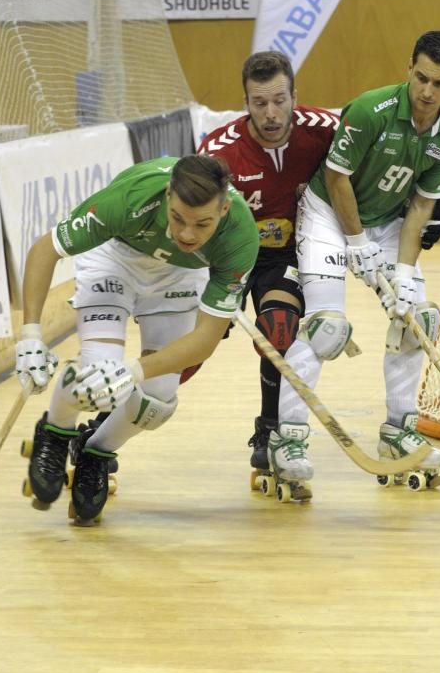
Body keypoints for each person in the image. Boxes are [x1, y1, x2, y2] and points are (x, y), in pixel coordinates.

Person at [265, 30, 440, 492]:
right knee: (326, 327)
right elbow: (337, 179)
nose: (426, 92)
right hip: (326, 215)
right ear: (408, 68)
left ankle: (399, 431)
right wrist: (356, 244)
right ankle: (289, 437)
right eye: (420, 78)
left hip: (388, 223)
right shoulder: (369, 110)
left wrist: (399, 274)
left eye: (439, 83)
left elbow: (420, 207)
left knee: (415, 321)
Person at [14, 154, 258, 524]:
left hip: (179, 277)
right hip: (114, 260)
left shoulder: (241, 235)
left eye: (202, 224)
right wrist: (30, 336)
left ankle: (95, 453)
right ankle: (55, 429)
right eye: (177, 218)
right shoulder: (131, 198)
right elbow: (45, 250)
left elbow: (206, 339)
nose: (187, 234)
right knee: (98, 379)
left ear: (224, 209)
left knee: (158, 400)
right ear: (167, 194)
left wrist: (134, 373)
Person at [197, 51, 337, 473]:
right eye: (259, 103)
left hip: (288, 256)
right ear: (245, 102)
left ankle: (271, 427)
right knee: (189, 350)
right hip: (231, 256)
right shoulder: (219, 152)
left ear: (296, 95)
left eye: (280, 100)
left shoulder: (325, 131)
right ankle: (101, 432)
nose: (271, 113)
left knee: (278, 326)